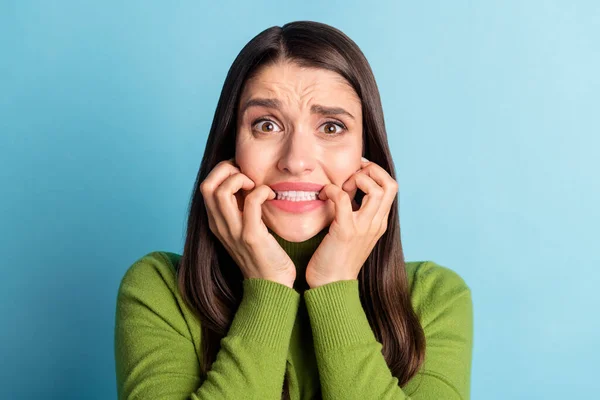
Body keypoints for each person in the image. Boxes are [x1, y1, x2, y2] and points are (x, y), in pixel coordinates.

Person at [114, 20, 473, 400]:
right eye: (267, 125)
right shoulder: (160, 290)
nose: (296, 160)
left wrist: (335, 284)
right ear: (230, 149)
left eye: (331, 128)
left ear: (367, 155)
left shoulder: (433, 298)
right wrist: (267, 286)